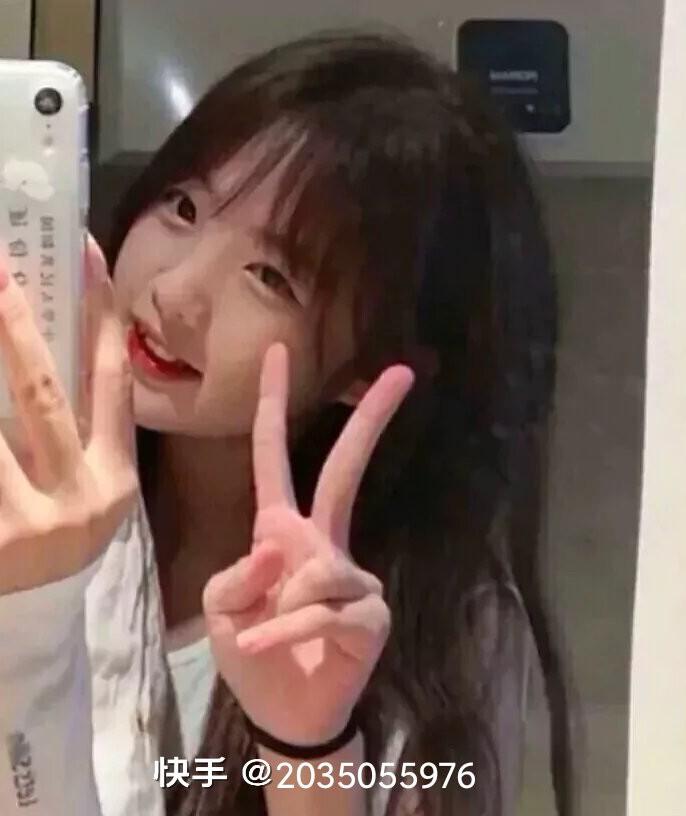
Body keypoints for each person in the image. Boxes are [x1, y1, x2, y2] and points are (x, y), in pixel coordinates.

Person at [0, 31, 567, 816]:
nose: (175, 292)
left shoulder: (438, 629)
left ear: (372, 364)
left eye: (270, 276)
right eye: (184, 207)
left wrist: (309, 751)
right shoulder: (32, 500)